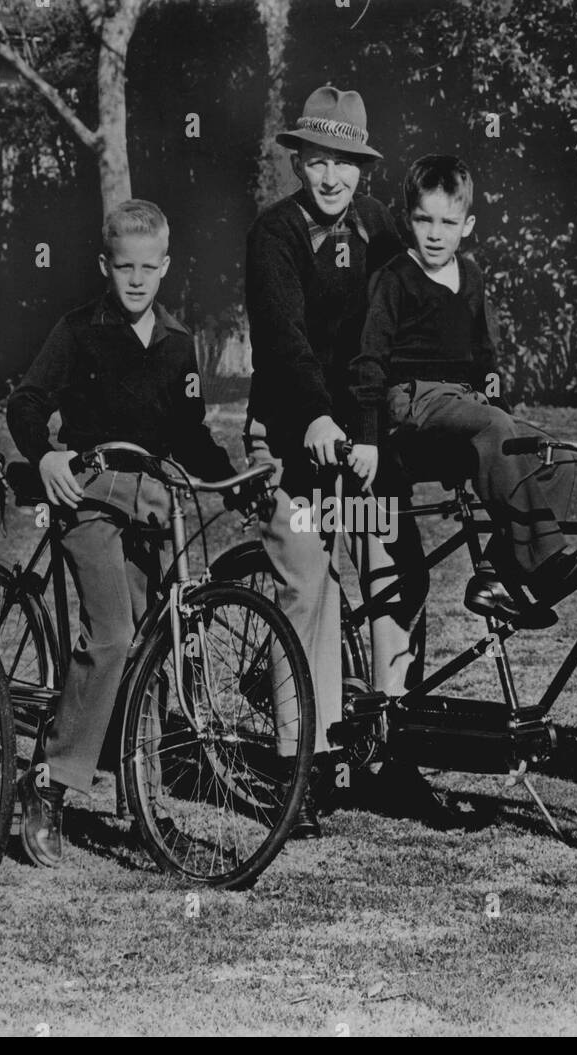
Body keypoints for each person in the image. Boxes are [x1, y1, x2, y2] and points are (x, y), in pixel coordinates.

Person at [8, 199, 241, 867]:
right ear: (104, 266)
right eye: (124, 267)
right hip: (91, 498)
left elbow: (190, 432)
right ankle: (50, 781)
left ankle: (139, 794)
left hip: (153, 505)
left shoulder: (177, 343)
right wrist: (45, 454)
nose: (137, 279)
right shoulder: (79, 330)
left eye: (149, 267)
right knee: (110, 633)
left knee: (152, 646)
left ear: (165, 267)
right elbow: (27, 400)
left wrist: (233, 478)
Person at [245, 85, 430, 834]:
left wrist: (369, 425)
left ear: (363, 169)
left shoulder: (380, 228)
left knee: (392, 566)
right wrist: (316, 416)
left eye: (345, 164)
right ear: (299, 161)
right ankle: (304, 764)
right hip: (294, 430)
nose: (330, 178)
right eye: (318, 161)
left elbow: (384, 332)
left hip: (358, 432)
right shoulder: (274, 233)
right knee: (306, 580)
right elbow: (284, 338)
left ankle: (394, 744)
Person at [351, 154, 577, 622]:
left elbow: (486, 358)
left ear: (467, 224)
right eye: (424, 220)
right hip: (412, 399)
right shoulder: (395, 279)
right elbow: (369, 360)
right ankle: (543, 563)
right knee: (492, 424)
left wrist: (504, 417)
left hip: (466, 401)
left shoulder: (473, 277)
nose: (436, 233)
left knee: (557, 453)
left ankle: (497, 574)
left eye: (448, 221)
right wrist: (365, 434)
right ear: (407, 221)